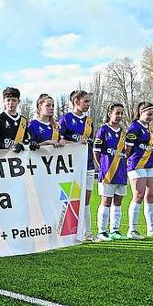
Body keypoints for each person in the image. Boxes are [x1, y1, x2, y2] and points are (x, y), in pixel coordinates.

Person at [59, 90, 95, 240]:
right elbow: (59, 141)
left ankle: (88, 232)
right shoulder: (66, 119)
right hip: (71, 165)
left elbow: (89, 143)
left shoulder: (89, 122)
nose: (88, 104)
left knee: (86, 198)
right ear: (76, 101)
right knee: (68, 197)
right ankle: (61, 229)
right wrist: (74, 143)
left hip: (88, 164)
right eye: (85, 101)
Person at [125, 102, 153, 239]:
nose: (151, 117)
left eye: (152, 115)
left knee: (151, 196)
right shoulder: (134, 127)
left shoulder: (149, 129)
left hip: (150, 165)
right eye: (148, 114)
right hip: (137, 164)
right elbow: (127, 149)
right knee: (138, 195)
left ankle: (151, 228)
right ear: (140, 112)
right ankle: (132, 230)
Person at [93, 103, 128, 241]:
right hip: (107, 172)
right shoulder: (103, 130)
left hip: (121, 172)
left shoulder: (124, 133)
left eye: (121, 113)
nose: (119, 116)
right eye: (117, 113)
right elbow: (96, 152)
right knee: (106, 202)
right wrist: (102, 166)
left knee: (118, 202)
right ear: (110, 114)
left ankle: (115, 230)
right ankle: (102, 231)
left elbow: (127, 152)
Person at [0, 87, 29, 152]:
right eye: (8, 100)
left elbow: (26, 140)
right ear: (4, 101)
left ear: (18, 101)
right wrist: (9, 146)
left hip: (20, 157)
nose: (11, 103)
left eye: (14, 100)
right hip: (4, 156)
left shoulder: (23, 120)